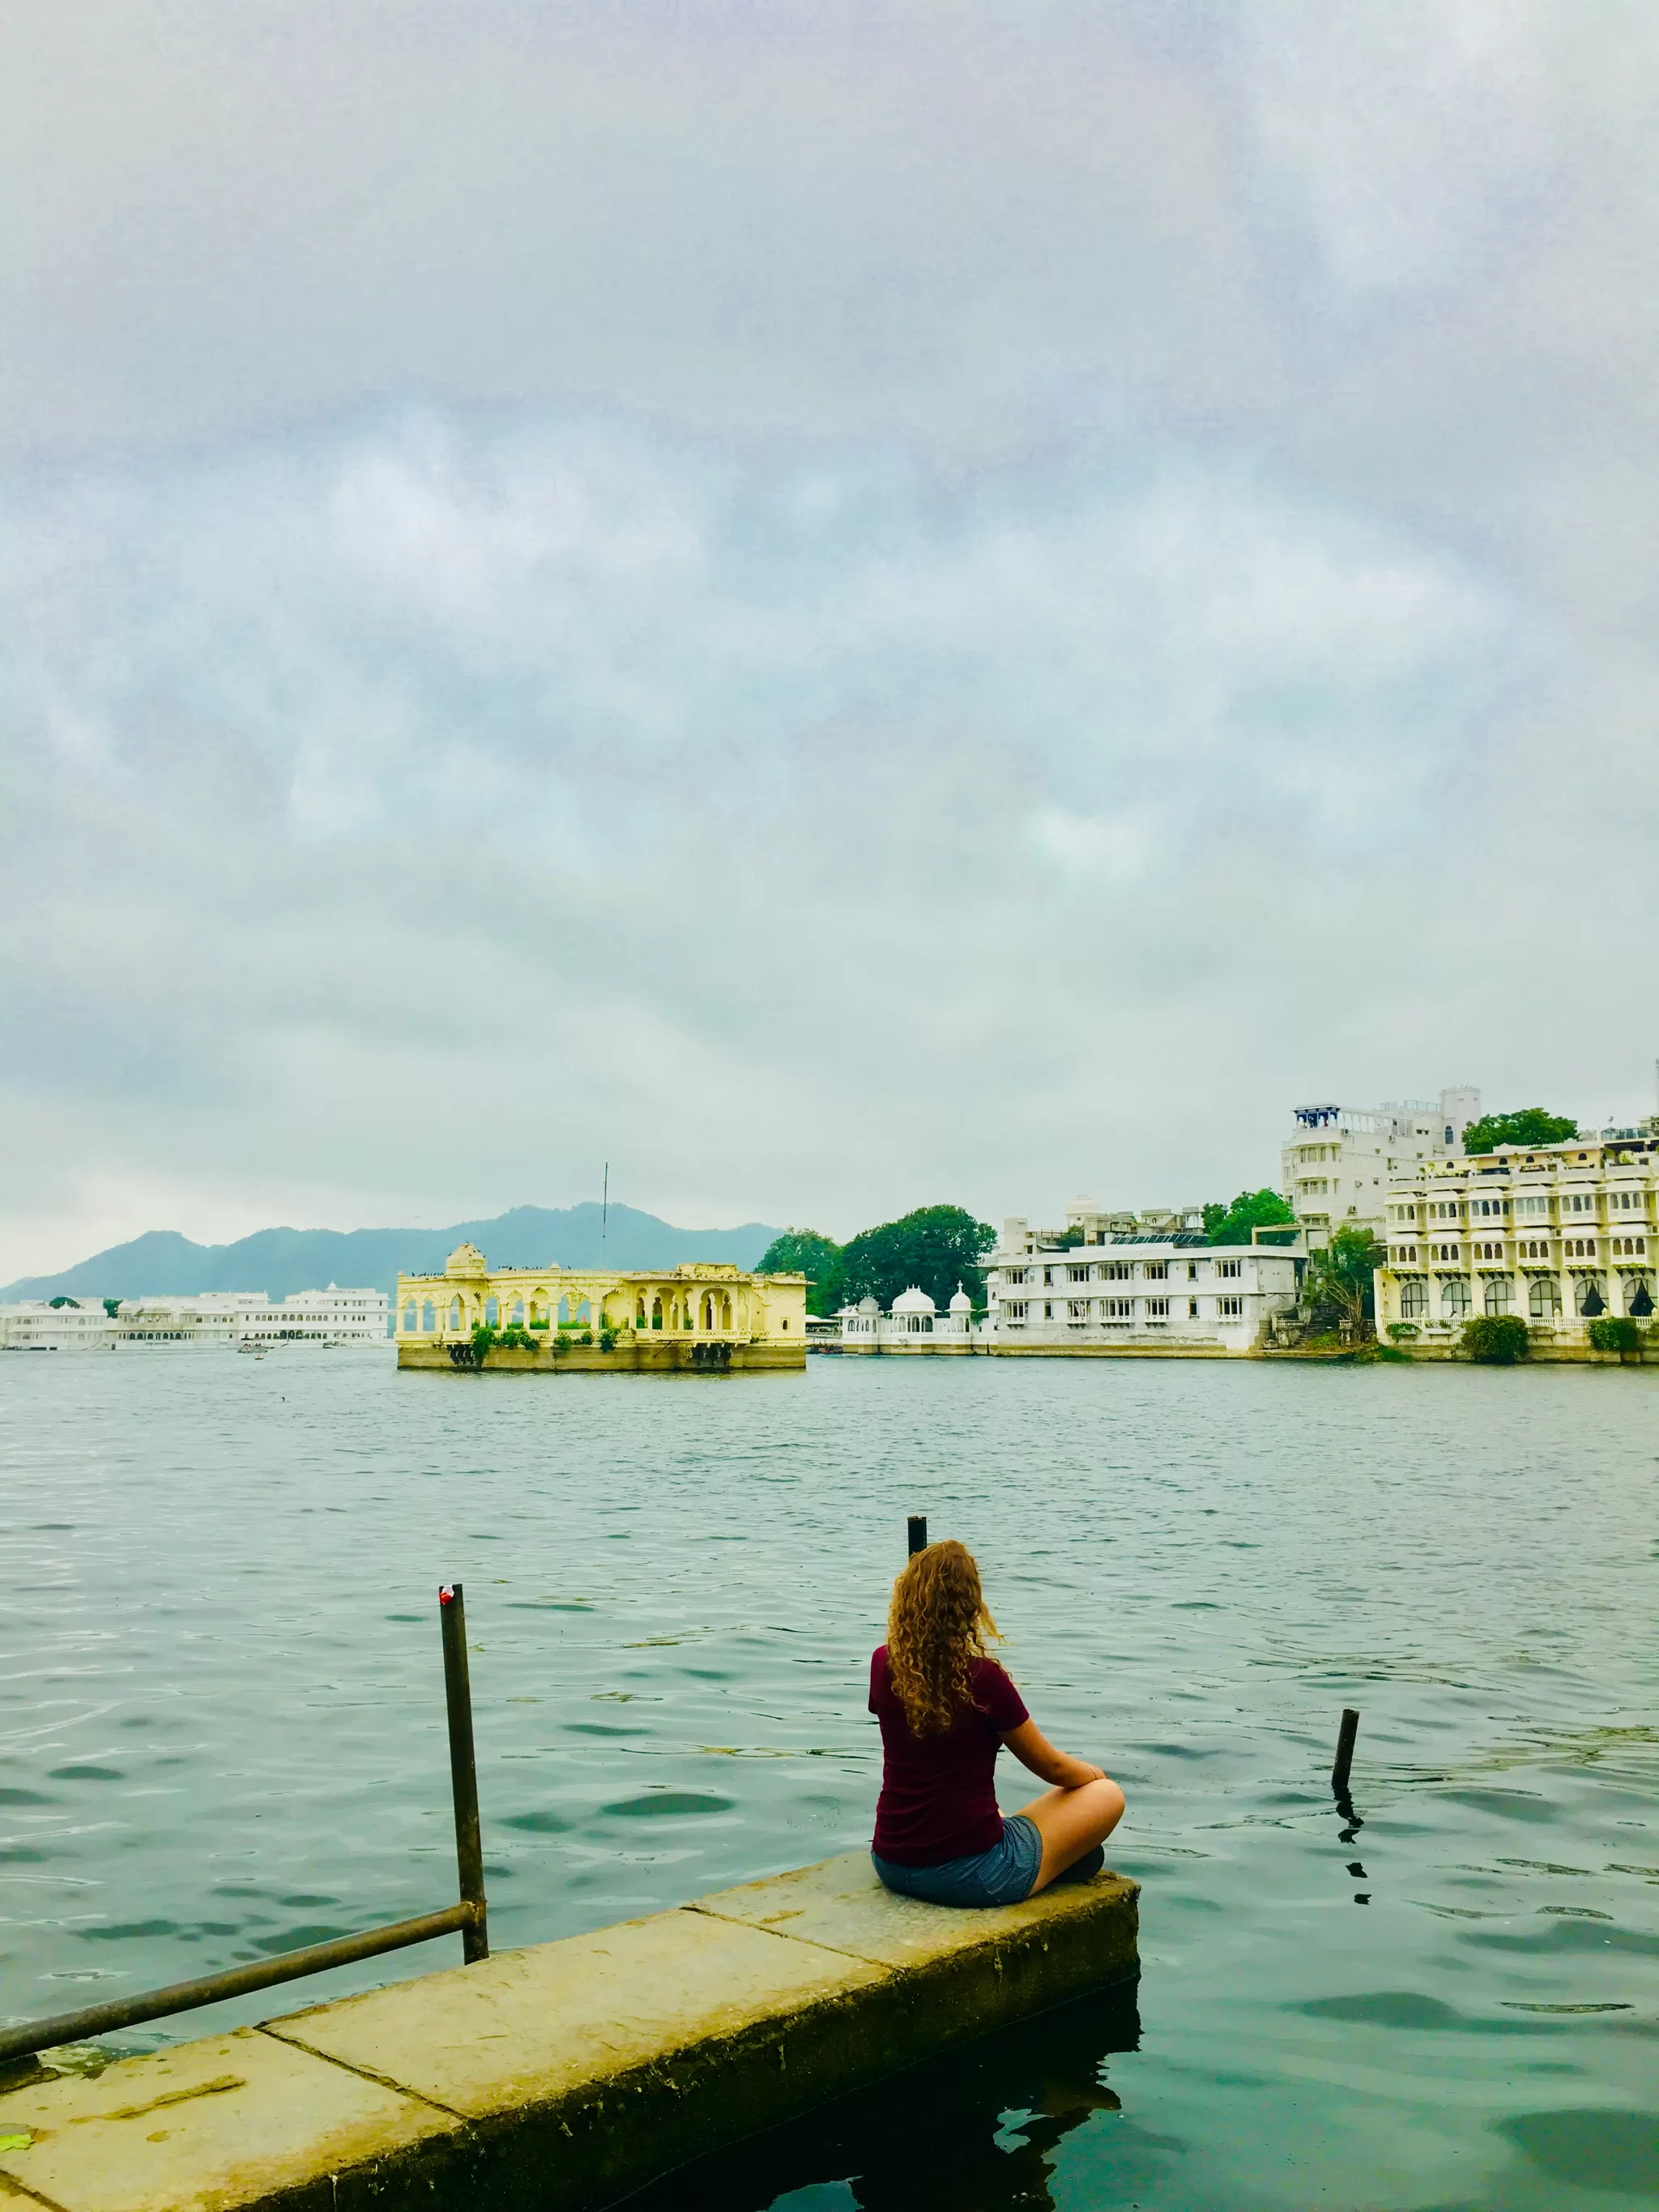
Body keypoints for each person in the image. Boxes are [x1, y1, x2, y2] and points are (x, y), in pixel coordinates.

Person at [869, 1539, 1124, 1907]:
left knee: (993, 1810)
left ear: (908, 1597)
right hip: (969, 1877)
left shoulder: (882, 1663)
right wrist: (1094, 1776)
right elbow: (1051, 1766)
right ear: (970, 1605)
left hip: (892, 1860)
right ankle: (1050, 1860)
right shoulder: (983, 1679)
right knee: (1108, 1795)